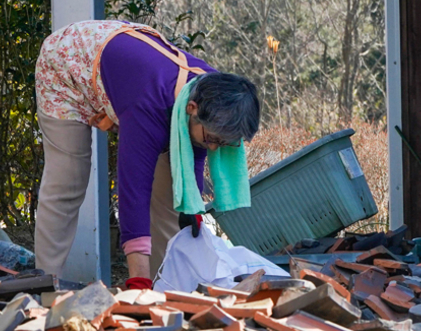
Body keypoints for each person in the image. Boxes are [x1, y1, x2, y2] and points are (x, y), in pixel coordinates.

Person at [34, 20, 261, 289]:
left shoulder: (216, 91)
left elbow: (190, 167)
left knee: (169, 201)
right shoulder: (148, 105)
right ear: (191, 108)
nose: (214, 148)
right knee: (68, 181)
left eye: (223, 144)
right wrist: (137, 280)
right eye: (212, 140)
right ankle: (43, 287)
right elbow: (133, 193)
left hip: (128, 69)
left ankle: (167, 290)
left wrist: (193, 213)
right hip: (67, 63)